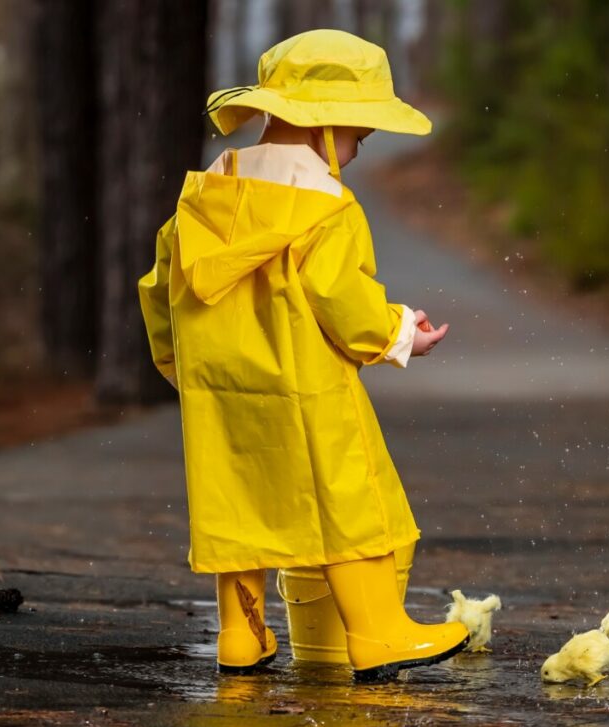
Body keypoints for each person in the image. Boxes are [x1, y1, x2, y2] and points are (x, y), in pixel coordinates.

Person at [137, 29, 469, 683]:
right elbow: (342, 301)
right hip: (308, 393)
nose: (358, 147)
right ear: (325, 127)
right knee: (350, 501)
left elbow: (159, 289)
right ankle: (377, 634)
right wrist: (402, 333)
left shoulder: (205, 198)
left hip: (223, 396)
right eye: (357, 134)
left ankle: (241, 636)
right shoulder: (325, 209)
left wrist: (181, 365)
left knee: (238, 506)